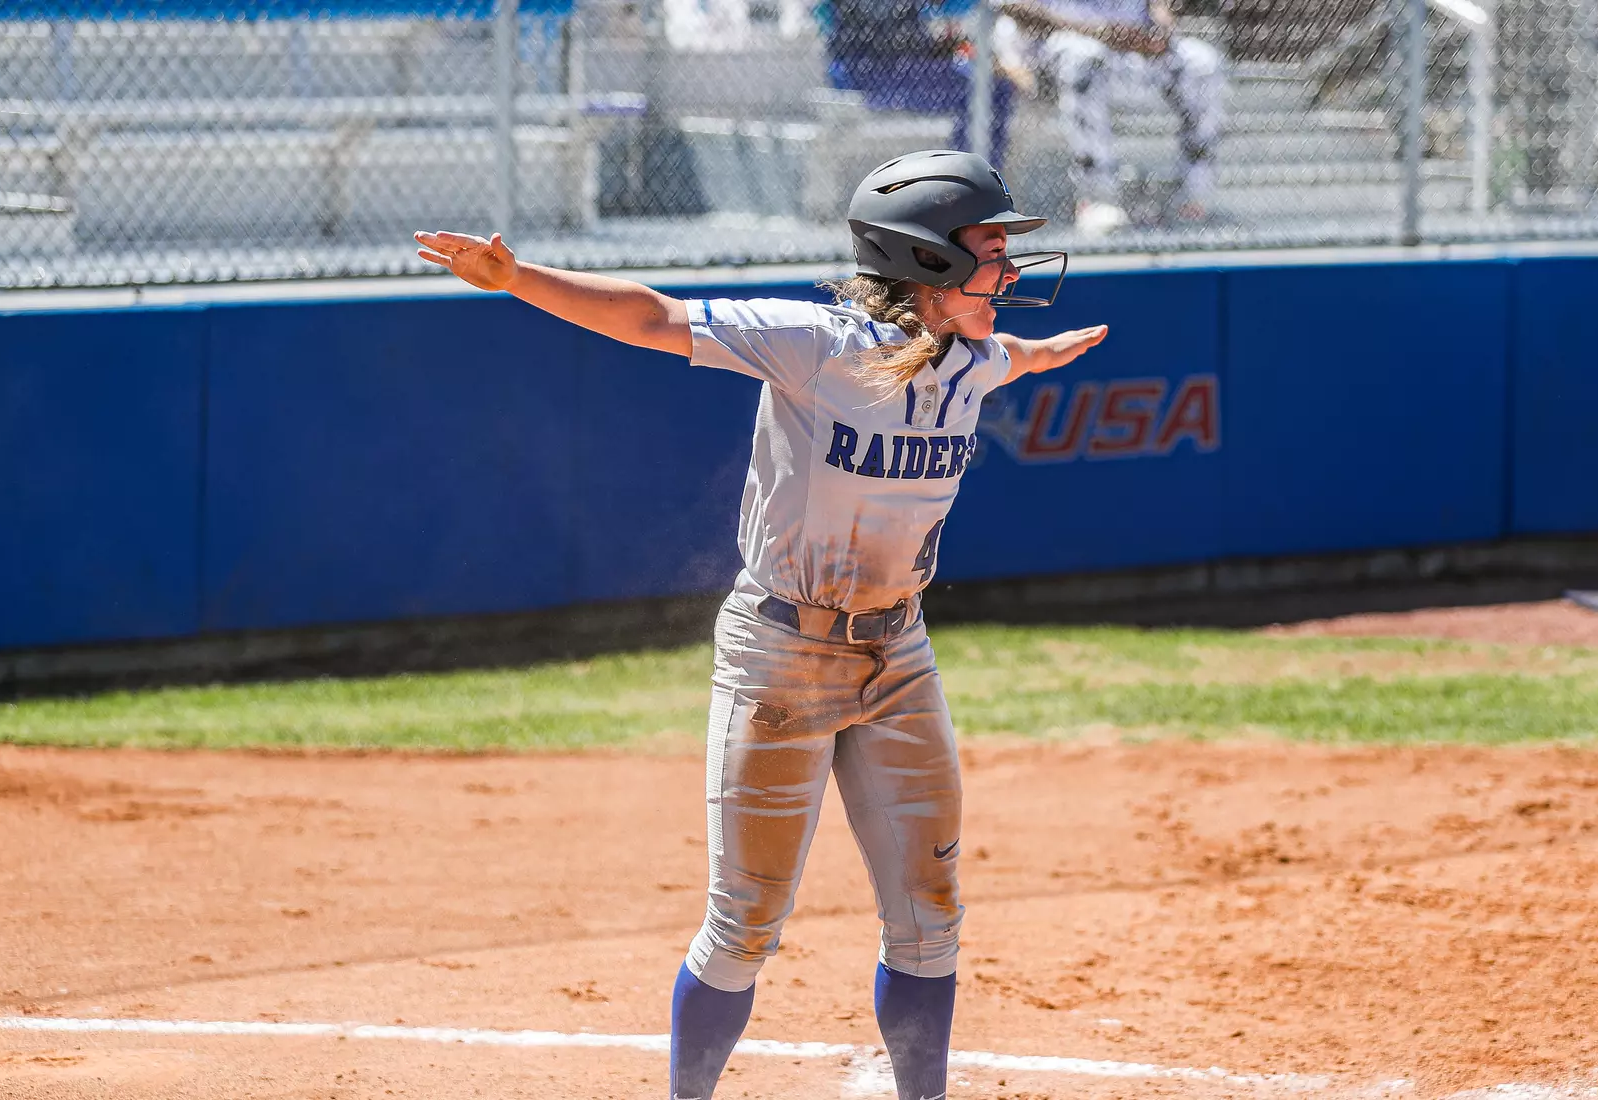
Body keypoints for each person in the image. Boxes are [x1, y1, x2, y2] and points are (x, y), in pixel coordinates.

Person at [413, 149, 1106, 1100]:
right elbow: (651, 317)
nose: (1012, 272)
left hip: (899, 653)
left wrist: (1044, 355)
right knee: (743, 924)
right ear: (930, 264)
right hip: (781, 659)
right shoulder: (815, 342)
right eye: (992, 250)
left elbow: (1006, 362)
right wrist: (517, 277)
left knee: (931, 916)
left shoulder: (972, 359)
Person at [997, 0, 1225, 233]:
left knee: (1203, 62)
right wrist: (1096, 30)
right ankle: (1097, 197)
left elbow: (1157, 8)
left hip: (1130, 50)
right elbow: (1012, 6)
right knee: (1084, 56)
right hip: (1059, 51)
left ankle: (1194, 194)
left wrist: (1160, 31)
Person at [826, 0, 1018, 168]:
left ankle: (975, 176)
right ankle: (970, 180)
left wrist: (942, 45)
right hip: (867, 74)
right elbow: (887, 39)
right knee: (993, 89)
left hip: (904, 69)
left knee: (997, 87)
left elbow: (922, 28)